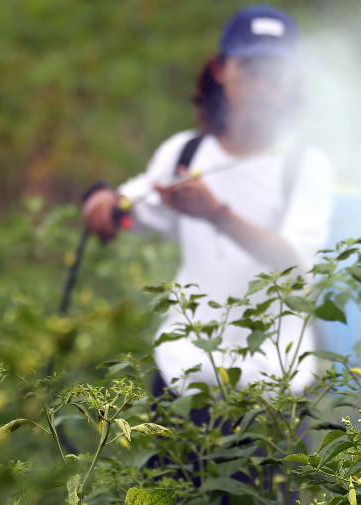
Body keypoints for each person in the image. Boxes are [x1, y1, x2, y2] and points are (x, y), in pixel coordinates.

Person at [81, 5, 334, 396]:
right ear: (220, 70)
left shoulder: (303, 166)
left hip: (270, 386)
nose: (263, 87)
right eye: (251, 70)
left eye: (277, 75)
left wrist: (216, 215)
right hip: (185, 375)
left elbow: (296, 265)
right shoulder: (186, 153)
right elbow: (135, 212)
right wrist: (104, 205)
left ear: (292, 83)